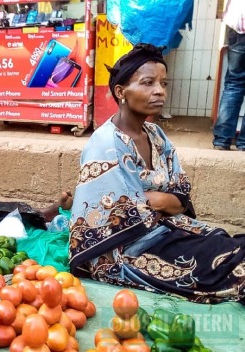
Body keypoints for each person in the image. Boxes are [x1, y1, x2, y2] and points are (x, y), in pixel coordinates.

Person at [69, 43, 245, 304]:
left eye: (163, 83)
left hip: (164, 228)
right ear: (121, 92)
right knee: (226, 270)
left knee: (230, 247)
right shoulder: (106, 143)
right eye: (148, 82)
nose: (159, 91)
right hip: (121, 250)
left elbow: (180, 193)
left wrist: (155, 200)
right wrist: (154, 202)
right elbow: (118, 217)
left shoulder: (155, 135)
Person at [213, 0, 245, 151]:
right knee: (234, 83)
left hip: (238, 24)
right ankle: (244, 144)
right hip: (238, 23)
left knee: (233, 84)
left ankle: (222, 140)